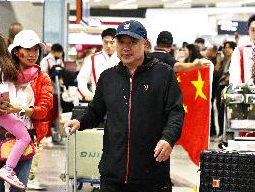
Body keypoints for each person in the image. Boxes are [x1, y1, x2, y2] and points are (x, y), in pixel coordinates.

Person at [64, 20, 185, 192]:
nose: (126, 48)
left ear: (145, 43)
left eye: (133, 42)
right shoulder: (108, 77)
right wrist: (80, 121)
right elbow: (95, 111)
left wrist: (168, 138)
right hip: (113, 175)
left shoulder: (164, 74)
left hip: (152, 173)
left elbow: (175, 112)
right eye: (121, 42)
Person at [0, 30, 53, 192]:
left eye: (36, 49)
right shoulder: (1, 70)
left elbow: (44, 110)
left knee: (17, 189)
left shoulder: (41, 78)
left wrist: (19, 109)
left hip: (24, 136)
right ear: (16, 51)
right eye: (27, 49)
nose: (32, 54)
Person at [77, 28, 120, 101]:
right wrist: (86, 93)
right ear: (102, 41)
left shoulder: (124, 59)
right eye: (105, 42)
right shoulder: (92, 58)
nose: (108, 45)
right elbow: (82, 78)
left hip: (118, 101)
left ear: (117, 42)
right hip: (97, 100)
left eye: (112, 42)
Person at [229, 14, 255, 86]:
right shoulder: (239, 51)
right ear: (248, 31)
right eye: (253, 30)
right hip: (246, 93)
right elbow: (234, 77)